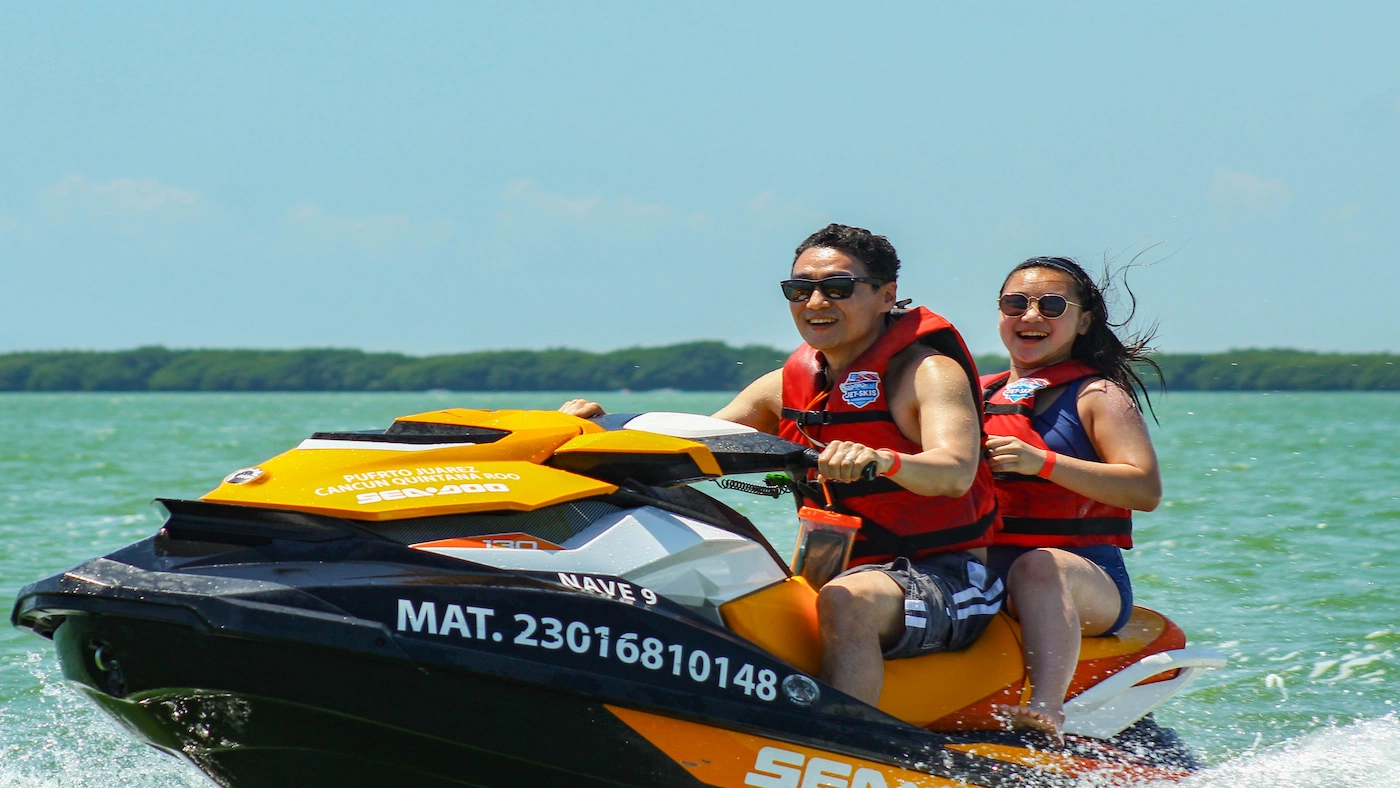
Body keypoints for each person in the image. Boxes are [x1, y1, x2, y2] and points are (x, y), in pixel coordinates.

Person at [562, 223, 1003, 706]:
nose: (816, 303)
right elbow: (687, 442)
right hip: (836, 568)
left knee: (847, 600)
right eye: (800, 289)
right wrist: (594, 428)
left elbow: (955, 470)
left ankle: (839, 749)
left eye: (838, 288)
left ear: (886, 295)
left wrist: (882, 459)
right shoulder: (783, 385)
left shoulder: (927, 373)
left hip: (946, 576)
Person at [980, 256, 1162, 737]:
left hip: (1083, 577)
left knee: (1038, 565)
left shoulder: (1099, 395)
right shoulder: (973, 395)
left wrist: (1041, 462)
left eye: (1052, 305)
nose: (1031, 316)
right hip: (982, 568)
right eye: (1015, 303)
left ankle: (1047, 708)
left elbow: (1143, 488)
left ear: (1083, 322)